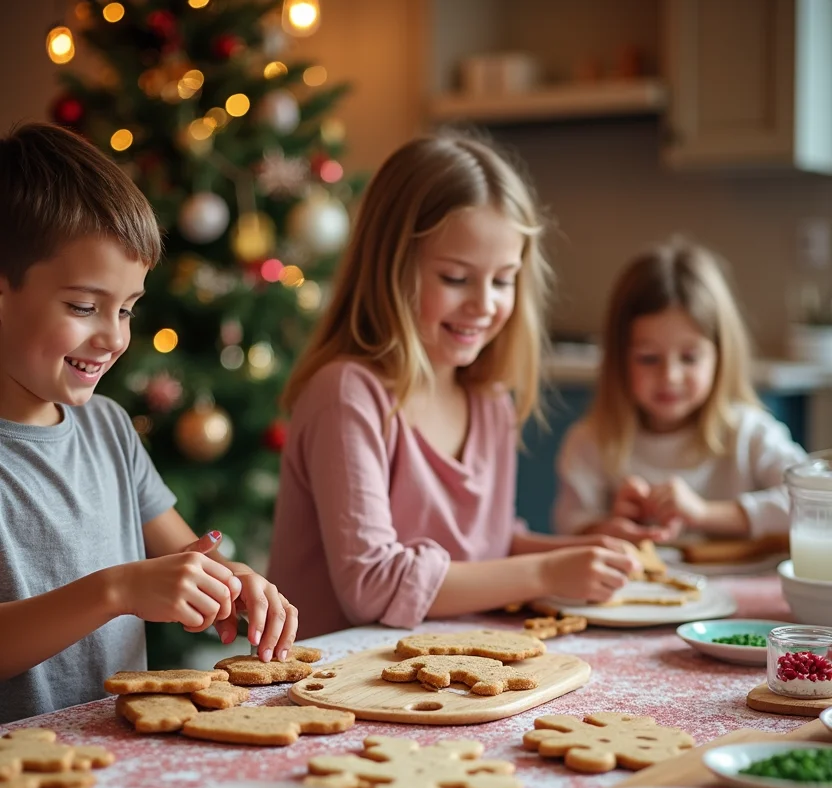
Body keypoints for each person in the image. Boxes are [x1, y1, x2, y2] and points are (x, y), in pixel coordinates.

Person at [267, 133, 637, 640]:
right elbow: (373, 584)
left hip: (446, 672)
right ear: (391, 270)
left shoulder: (489, 401)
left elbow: (488, 551)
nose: (484, 304)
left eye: (503, 280)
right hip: (333, 689)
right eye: (457, 278)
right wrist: (549, 573)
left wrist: (581, 554)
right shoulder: (347, 394)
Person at [0, 123, 297, 723]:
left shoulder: (108, 428)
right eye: (84, 307)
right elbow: (131, 585)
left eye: (128, 309)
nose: (113, 337)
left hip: (110, 754)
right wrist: (117, 591)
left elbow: (184, 555)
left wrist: (231, 583)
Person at [554, 239, 805, 543]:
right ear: (619, 359)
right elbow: (569, 528)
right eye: (648, 358)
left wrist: (703, 514)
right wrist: (611, 526)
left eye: (689, 358)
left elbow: (813, 502)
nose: (669, 376)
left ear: (720, 356)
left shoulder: (750, 434)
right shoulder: (591, 442)